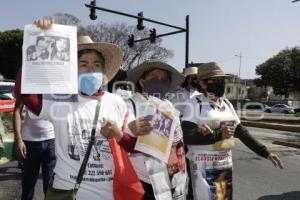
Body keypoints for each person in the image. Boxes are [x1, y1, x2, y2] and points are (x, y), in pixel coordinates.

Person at [15, 19, 144, 200]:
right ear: (72, 70)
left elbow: (132, 145)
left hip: (107, 194)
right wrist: (36, 42)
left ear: (103, 70)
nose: (90, 69)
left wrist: (118, 134)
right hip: (67, 192)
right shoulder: (59, 101)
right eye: (83, 64)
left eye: (96, 65)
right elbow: (24, 94)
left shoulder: (118, 102)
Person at [181, 62, 284, 200]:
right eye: (216, 80)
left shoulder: (227, 104)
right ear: (203, 83)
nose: (221, 83)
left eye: (222, 80)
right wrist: (218, 135)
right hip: (202, 169)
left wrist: (265, 152)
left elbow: (241, 132)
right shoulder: (195, 103)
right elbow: (186, 136)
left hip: (224, 167)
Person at [126, 60, 187, 199]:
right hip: (142, 181)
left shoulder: (169, 106)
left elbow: (178, 142)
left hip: (170, 178)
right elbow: (120, 137)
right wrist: (131, 129)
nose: (159, 82)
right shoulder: (130, 105)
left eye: (164, 80)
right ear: (142, 82)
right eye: (154, 78)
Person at [13, 97, 56, 200]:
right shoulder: (28, 86)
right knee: (28, 184)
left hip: (52, 141)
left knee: (50, 186)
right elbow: (17, 112)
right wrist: (18, 139)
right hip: (29, 143)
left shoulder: (55, 87)